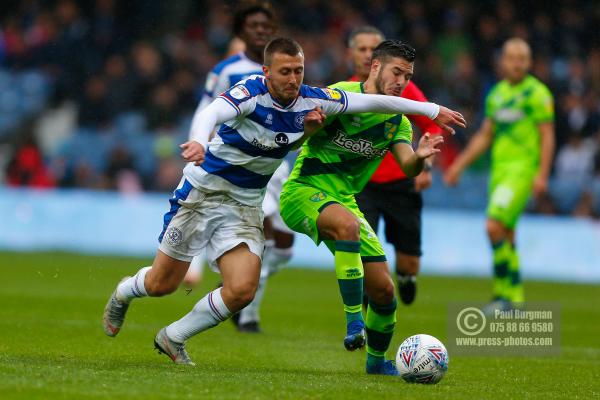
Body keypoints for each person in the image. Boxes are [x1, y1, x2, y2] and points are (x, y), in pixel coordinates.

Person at [102, 37, 465, 368]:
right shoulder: (249, 93)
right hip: (203, 193)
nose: (293, 78)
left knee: (243, 289)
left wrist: (431, 111)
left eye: (298, 70)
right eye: (285, 71)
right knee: (162, 284)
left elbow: (375, 101)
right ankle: (123, 293)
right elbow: (211, 112)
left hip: (245, 204)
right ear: (267, 72)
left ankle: (173, 337)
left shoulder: (313, 99)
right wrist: (198, 139)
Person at [279, 40, 464, 375]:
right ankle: (354, 325)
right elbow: (294, 143)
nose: (402, 82)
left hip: (344, 201)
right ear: (375, 67)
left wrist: (420, 159)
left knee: (384, 290)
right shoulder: (339, 95)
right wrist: (308, 129)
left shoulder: (397, 122)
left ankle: (376, 364)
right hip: (303, 192)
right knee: (348, 226)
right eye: (397, 72)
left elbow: (408, 166)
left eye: (407, 76)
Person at [184, 1, 294, 334]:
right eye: (254, 25)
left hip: (277, 163)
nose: (261, 31)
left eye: (266, 26)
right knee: (258, 229)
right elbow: (206, 109)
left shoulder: (287, 66)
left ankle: (239, 288)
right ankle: (245, 310)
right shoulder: (226, 70)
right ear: (241, 32)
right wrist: (199, 142)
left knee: (285, 247)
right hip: (238, 164)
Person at [444, 38, 555, 310]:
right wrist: (458, 165)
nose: (516, 63)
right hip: (500, 171)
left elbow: (547, 136)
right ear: (503, 62)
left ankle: (503, 296)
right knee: (507, 232)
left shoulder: (537, 94)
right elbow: (485, 135)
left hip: (522, 170)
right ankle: (512, 298)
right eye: (511, 57)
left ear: (529, 63)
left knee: (493, 226)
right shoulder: (496, 95)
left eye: (522, 58)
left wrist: (542, 174)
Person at [348, 26, 444, 305]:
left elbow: (432, 128)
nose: (367, 55)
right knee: (365, 253)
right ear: (352, 53)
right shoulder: (347, 92)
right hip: (363, 185)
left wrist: (425, 166)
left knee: (408, 261)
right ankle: (364, 308)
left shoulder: (405, 89)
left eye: (372, 49)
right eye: (362, 49)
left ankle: (405, 276)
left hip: (403, 181)